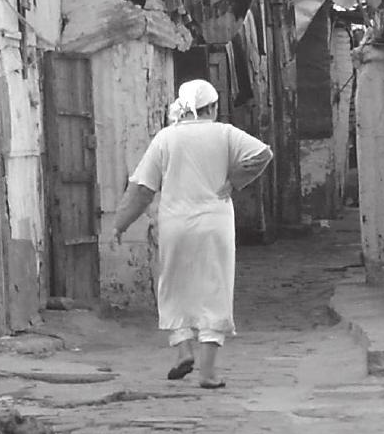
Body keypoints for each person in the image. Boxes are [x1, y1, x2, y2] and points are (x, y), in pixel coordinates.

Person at [112, 79, 273, 388]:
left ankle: (183, 349)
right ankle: (209, 373)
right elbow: (263, 154)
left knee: (173, 285)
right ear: (212, 107)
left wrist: (121, 223)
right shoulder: (225, 133)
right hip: (215, 222)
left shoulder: (165, 138)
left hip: (175, 223)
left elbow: (142, 189)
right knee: (215, 289)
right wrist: (235, 181)